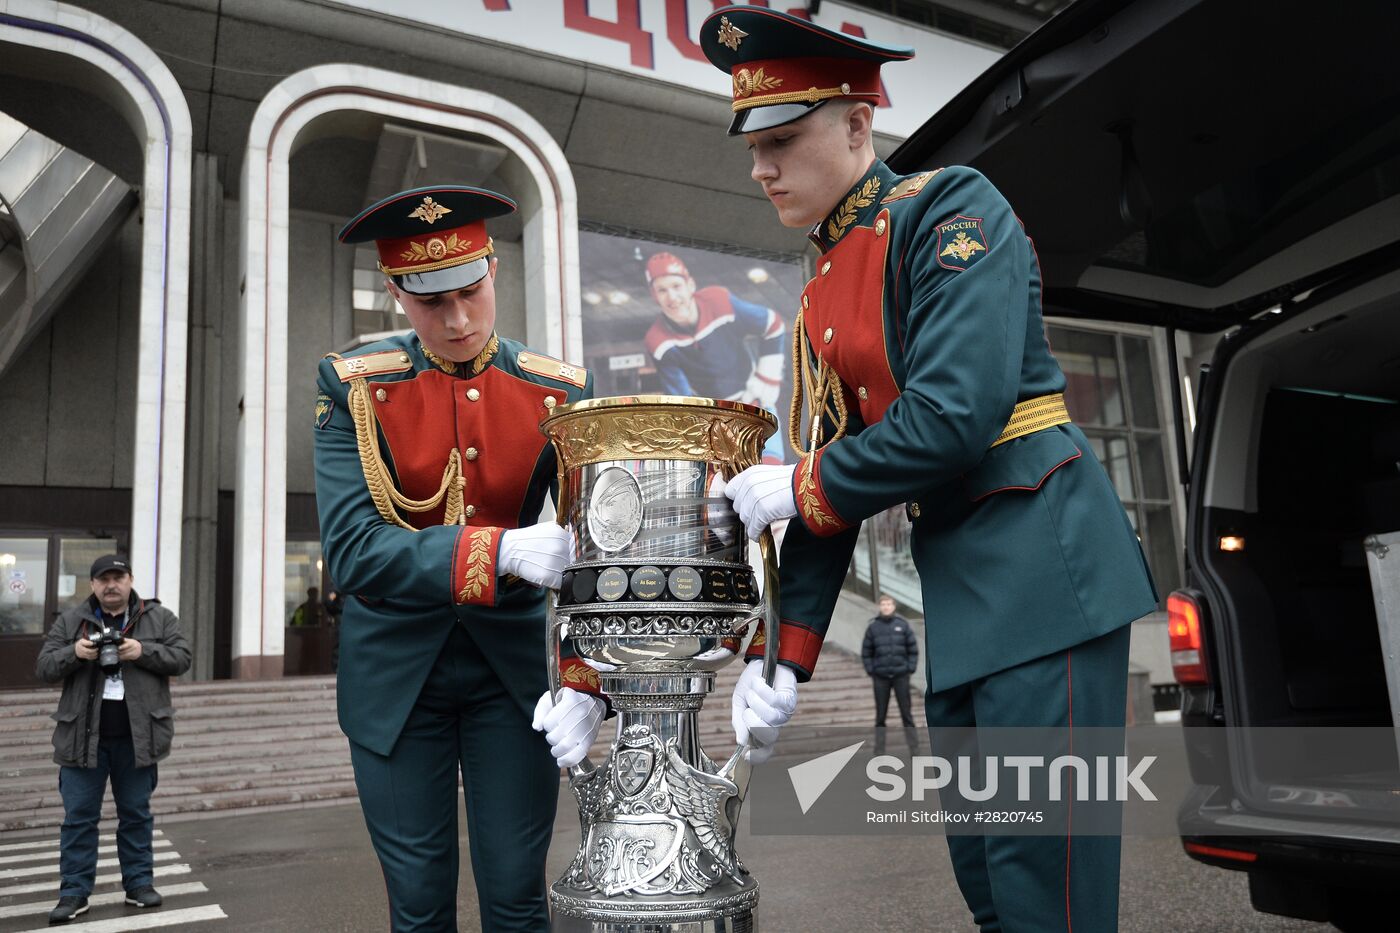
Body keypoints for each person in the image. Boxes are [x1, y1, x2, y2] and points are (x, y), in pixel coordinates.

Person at [703, 8, 1157, 932]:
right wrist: (786, 658)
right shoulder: (823, 287)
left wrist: (794, 484)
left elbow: (955, 416)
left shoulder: (951, 208)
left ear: (859, 127)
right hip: (965, 593)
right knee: (989, 882)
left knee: (1047, 891)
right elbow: (835, 485)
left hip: (1042, 569)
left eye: (784, 140)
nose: (762, 168)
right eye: (754, 146)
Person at [317, 185, 608, 933]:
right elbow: (351, 550)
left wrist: (584, 680)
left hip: (510, 675)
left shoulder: (558, 392)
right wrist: (499, 547)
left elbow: (594, 553)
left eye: (469, 291)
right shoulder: (355, 387)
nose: (455, 319)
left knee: (517, 896)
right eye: (429, 301)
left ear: (494, 270)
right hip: (394, 678)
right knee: (418, 906)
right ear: (394, 294)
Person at [35, 555, 191, 924]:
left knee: (136, 815)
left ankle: (139, 884)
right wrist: (75, 652)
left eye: (118, 577)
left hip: (138, 738)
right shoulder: (71, 621)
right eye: (103, 578)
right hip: (82, 738)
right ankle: (74, 892)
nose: (111, 585)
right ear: (92, 585)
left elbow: (183, 657)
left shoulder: (159, 618)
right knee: (79, 819)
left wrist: (142, 650)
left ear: (130, 580)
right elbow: (43, 667)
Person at [643, 251, 787, 462]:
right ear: (654, 296)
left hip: (755, 403)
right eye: (662, 290)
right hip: (713, 421)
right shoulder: (657, 340)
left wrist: (767, 380)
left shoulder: (720, 301)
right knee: (724, 486)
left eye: (676, 286)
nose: (672, 297)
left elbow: (772, 324)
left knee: (770, 472)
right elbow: (680, 403)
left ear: (690, 285)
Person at [862, 593, 919, 752]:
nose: (886, 607)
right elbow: (866, 652)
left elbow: (913, 650)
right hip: (881, 678)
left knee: (907, 715)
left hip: (901, 676)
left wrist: (910, 667)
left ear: (894, 606)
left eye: (889, 604)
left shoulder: (903, 625)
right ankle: (879, 751)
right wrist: (871, 670)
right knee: (880, 716)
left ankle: (914, 749)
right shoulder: (873, 627)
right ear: (880, 607)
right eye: (883, 604)